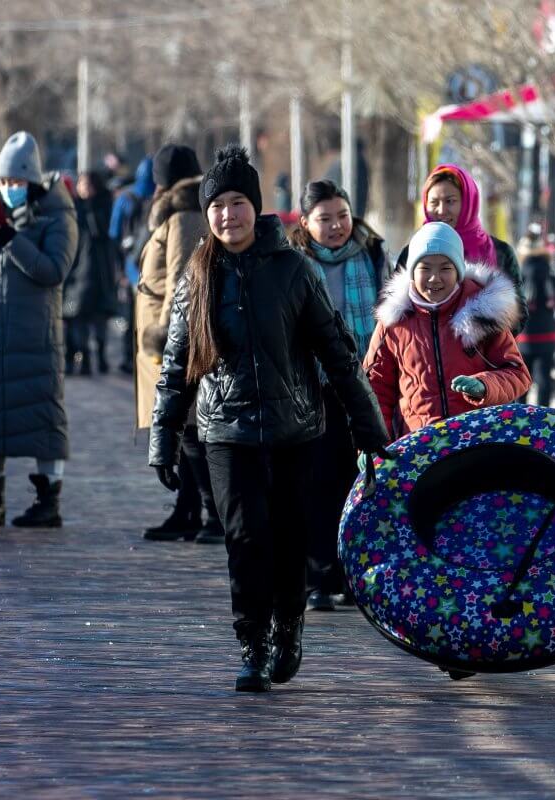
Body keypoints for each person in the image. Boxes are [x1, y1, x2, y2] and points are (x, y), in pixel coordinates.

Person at [148, 145, 388, 692]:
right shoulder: (197, 277)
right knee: (244, 536)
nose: (227, 215)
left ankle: (288, 624)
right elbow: (176, 365)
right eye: (217, 206)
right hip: (224, 431)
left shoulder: (293, 270)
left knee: (287, 534)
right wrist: (164, 436)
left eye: (237, 203)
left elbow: (338, 355)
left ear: (256, 208)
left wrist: (368, 428)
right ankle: (252, 644)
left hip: (294, 429)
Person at [0, 131, 79, 528]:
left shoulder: (56, 217)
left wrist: (9, 238)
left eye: (17, 181)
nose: (8, 189)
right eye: (3, 182)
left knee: (44, 420)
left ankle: (48, 500)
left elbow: (52, 269)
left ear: (33, 181)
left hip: (32, 342)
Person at [287, 179, 389, 610]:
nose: (336, 226)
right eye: (324, 219)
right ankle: (317, 577)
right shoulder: (293, 263)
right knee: (315, 485)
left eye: (342, 215)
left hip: (361, 385)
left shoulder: (372, 253)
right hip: (311, 388)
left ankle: (351, 575)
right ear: (305, 223)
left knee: (357, 481)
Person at [365, 221, 531, 438]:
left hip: (477, 440)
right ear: (412, 271)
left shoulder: (483, 311)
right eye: (425, 268)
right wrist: (376, 443)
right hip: (420, 444)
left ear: (458, 271)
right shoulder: (394, 321)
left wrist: (484, 385)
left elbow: (518, 374)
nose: (434, 278)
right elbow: (376, 390)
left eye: (445, 268)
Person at [134, 143, 222, 544]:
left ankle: (212, 512)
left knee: (187, 424)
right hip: (168, 333)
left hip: (175, 336)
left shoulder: (184, 214)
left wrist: (165, 334)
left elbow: (180, 280)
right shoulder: (178, 211)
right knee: (182, 424)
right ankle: (187, 509)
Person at [395, 164, 528, 334]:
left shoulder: (501, 252)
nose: (441, 210)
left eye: (450, 201)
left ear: (468, 203)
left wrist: (483, 336)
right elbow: (395, 308)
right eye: (434, 202)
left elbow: (519, 314)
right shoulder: (412, 253)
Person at [63, 170, 119, 376]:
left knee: (99, 318)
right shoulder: (74, 208)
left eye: (87, 184)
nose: (83, 188)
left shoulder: (104, 205)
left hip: (100, 272)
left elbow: (104, 232)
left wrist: (91, 208)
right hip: (77, 271)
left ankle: (101, 357)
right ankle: (83, 357)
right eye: (80, 184)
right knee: (77, 317)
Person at [515, 242, 555, 407]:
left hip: (523, 338)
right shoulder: (552, 279)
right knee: (544, 379)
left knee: (521, 379)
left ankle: (519, 414)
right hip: (548, 337)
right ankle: (542, 415)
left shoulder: (518, 278)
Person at [110, 155, 156, 374]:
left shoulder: (125, 198)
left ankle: (129, 356)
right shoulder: (161, 198)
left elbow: (113, 234)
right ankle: (147, 355)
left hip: (130, 267)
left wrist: (119, 270)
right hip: (154, 267)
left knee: (129, 315)